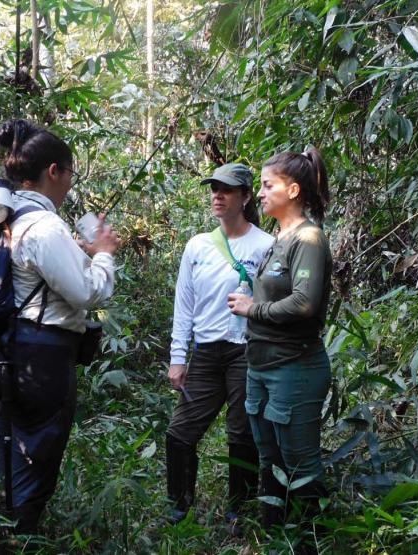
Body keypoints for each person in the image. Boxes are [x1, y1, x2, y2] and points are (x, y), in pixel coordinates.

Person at [0, 119, 120, 534]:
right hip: (40, 359)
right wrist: (105, 254)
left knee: (10, 449)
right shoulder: (45, 226)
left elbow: (30, 275)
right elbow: (87, 293)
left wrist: (75, 254)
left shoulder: (5, 217)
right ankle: (19, 538)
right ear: (54, 172)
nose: (71, 184)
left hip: (1, 350)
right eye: (70, 173)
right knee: (37, 457)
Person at [227, 148, 332, 527]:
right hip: (262, 367)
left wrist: (252, 308)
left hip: (295, 367)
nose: (261, 193)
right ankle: (273, 533)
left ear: (292, 191)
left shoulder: (308, 239)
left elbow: (304, 304)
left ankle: (309, 540)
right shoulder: (279, 239)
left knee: (300, 464)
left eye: (268, 185)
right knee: (268, 458)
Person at [166, 163, 274, 531]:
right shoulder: (197, 245)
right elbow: (185, 303)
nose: (218, 195)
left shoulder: (265, 245)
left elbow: (275, 300)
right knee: (180, 433)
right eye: (214, 188)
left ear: (245, 197)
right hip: (206, 352)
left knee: (242, 434)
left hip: (246, 351)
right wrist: (178, 357)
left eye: (227, 189)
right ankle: (178, 506)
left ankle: (237, 511)